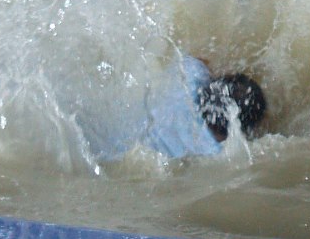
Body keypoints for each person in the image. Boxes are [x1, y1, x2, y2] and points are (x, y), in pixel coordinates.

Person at [89, 54, 268, 161]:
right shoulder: (211, 153)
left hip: (98, 134)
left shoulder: (189, 77)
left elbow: (200, 59)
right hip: (109, 164)